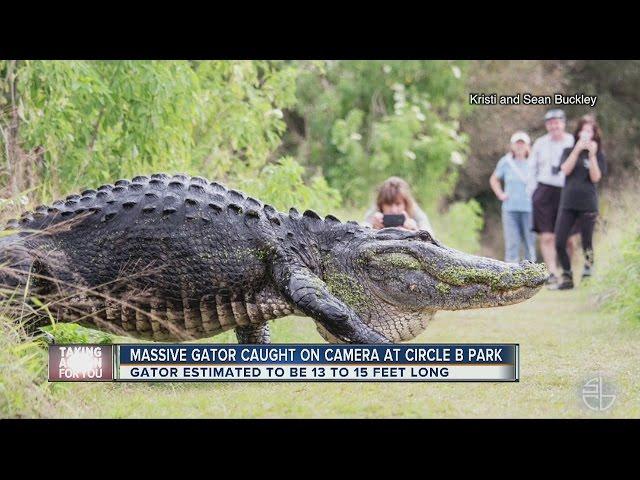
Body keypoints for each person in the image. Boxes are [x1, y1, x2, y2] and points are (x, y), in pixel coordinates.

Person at [551, 115, 606, 290]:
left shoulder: (598, 155)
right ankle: (567, 277)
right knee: (559, 241)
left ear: (594, 134)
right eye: (584, 130)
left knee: (587, 242)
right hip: (568, 202)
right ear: (578, 132)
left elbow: (595, 177)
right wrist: (577, 150)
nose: (586, 133)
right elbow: (565, 170)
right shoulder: (568, 150)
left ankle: (588, 275)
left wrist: (592, 155)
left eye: (590, 131)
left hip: (588, 203)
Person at [528, 109, 576, 285]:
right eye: (550, 123)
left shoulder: (572, 141)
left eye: (557, 122)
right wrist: (532, 193)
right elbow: (531, 169)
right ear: (547, 125)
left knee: (569, 237)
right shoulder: (540, 143)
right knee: (547, 236)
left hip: (567, 191)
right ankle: (552, 272)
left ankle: (567, 271)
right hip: (544, 190)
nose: (554, 126)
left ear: (563, 123)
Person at [490, 131, 536, 263]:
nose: (520, 146)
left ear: (528, 146)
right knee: (512, 243)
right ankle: (510, 276)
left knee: (529, 243)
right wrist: (500, 194)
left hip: (529, 208)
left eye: (523, 144)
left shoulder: (534, 162)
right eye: (517, 143)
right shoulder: (506, 162)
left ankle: (531, 276)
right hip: (510, 208)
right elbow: (494, 179)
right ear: (512, 146)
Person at [363, 176, 434, 234]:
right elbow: (361, 228)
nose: (393, 210)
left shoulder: (413, 209)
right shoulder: (376, 210)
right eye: (388, 204)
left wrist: (415, 231)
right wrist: (372, 228)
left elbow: (429, 232)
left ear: (405, 204)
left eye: (398, 204)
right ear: (381, 205)